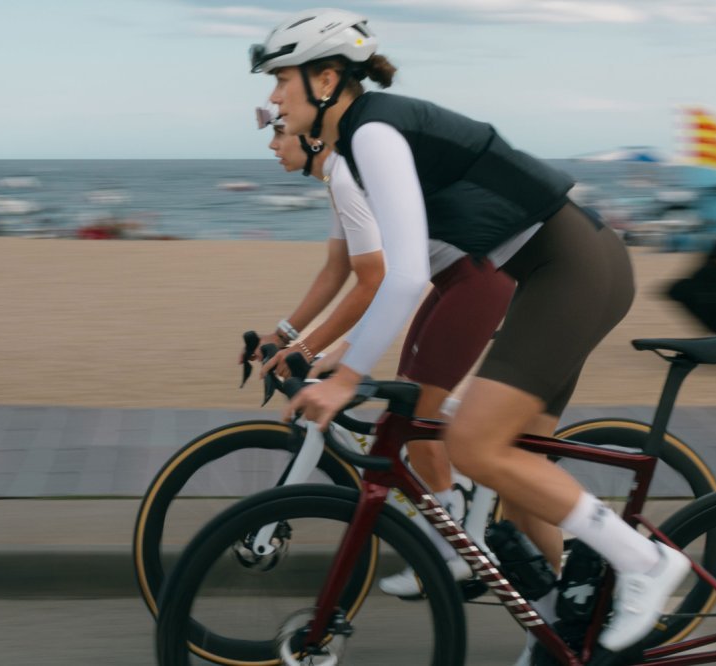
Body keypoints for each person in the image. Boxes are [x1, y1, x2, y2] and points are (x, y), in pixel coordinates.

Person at [253, 8, 688, 652]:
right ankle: (568, 635)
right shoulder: (363, 137)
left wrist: (345, 377)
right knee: (520, 478)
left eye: (280, 80)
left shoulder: (373, 133)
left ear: (324, 79)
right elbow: (400, 273)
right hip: (564, 268)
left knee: (475, 443)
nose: (272, 98)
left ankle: (646, 563)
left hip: (569, 268)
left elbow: (400, 278)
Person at [249, 110, 519, 599]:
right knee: (413, 402)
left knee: (414, 409)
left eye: (279, 132)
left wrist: (309, 349)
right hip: (455, 278)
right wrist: (286, 334)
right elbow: (337, 270)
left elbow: (372, 278)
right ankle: (460, 503)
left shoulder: (347, 176)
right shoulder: (338, 178)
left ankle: (459, 543)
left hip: (476, 279)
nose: (272, 145)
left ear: (312, 139)